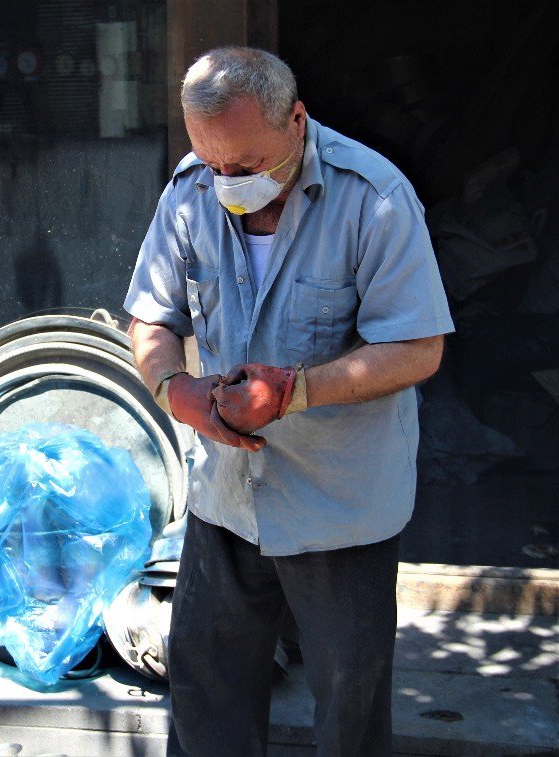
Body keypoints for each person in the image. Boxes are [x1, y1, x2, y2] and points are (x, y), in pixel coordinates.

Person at [124, 47, 454, 756]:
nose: (226, 184)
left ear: (296, 120)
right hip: (226, 501)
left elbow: (420, 348)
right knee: (206, 700)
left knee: (348, 718)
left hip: (341, 509)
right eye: (211, 164)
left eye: (243, 167)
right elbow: (150, 319)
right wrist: (172, 386)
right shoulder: (190, 192)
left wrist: (297, 390)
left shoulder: (375, 198)